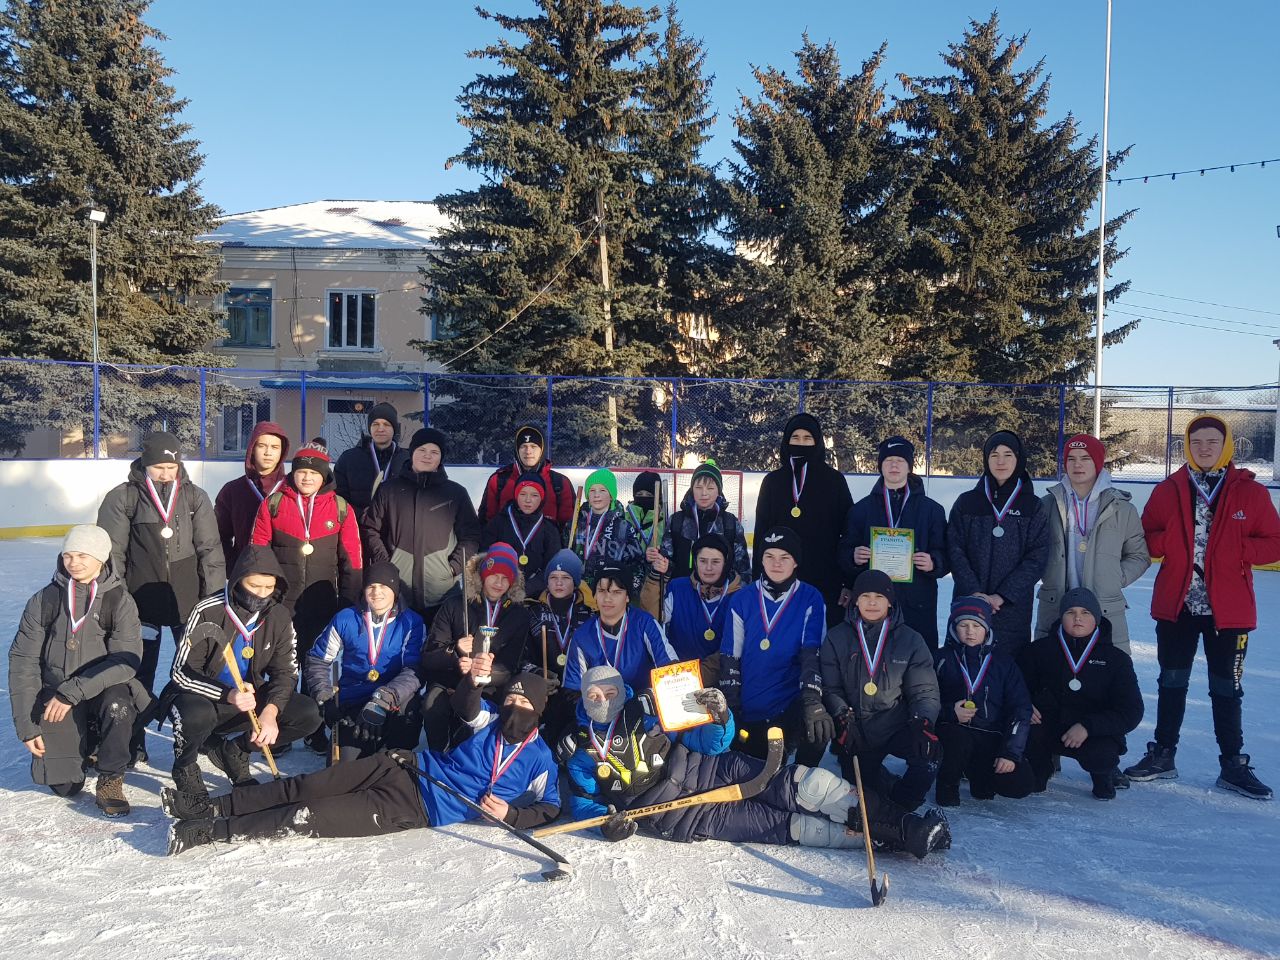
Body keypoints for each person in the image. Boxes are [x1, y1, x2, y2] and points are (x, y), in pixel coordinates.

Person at [561, 666, 948, 858]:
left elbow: (712, 745)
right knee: (792, 827)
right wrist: (606, 825)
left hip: (716, 769)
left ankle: (907, 825)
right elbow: (583, 804)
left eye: (609, 691)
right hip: (686, 814)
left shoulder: (649, 711)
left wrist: (720, 717)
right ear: (583, 695)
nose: (602, 699)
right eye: (593, 694)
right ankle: (883, 841)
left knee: (806, 786)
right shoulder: (580, 748)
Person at [163, 671, 559, 854]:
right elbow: (466, 705)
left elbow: (552, 808)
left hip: (415, 808)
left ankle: (210, 832)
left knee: (307, 813)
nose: (514, 709)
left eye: (524, 704)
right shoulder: (487, 719)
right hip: (403, 767)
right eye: (511, 700)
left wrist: (512, 814)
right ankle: (208, 806)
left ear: (537, 712)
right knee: (306, 785)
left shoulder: (540, 759)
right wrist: (473, 679)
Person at [1125, 415, 1280, 799]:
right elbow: (1147, 537)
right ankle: (1163, 754)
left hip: (1228, 611)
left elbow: (1274, 542)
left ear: (1226, 445)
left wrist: (1239, 550)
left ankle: (1232, 764)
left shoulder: (1250, 493)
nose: (1205, 448)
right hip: (1177, 606)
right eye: (1197, 443)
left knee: (1226, 687)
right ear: (1187, 447)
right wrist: (1173, 544)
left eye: (1212, 442)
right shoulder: (1170, 488)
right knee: (1171, 683)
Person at [97, 430, 225, 765]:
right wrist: (118, 600)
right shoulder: (123, 497)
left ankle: (198, 734)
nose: (166, 473)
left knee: (195, 669)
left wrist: (211, 600)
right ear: (145, 463)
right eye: (158, 467)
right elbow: (113, 556)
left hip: (187, 601)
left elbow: (210, 551)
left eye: (171, 466)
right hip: (140, 600)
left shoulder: (195, 497)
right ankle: (133, 737)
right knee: (138, 672)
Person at [8, 526, 148, 816]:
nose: (74, 562)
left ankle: (110, 777)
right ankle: (85, 748)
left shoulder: (119, 600)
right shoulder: (44, 600)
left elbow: (127, 660)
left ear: (101, 558)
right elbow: (23, 662)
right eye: (68, 555)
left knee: (119, 705)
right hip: (55, 691)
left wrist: (72, 692)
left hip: (101, 689)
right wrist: (28, 726)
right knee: (64, 787)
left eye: (83, 555)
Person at [163, 546, 322, 796]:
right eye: (254, 586)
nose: (261, 594)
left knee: (308, 714)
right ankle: (185, 766)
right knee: (196, 716)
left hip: (249, 700)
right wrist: (228, 694)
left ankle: (236, 750)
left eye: (269, 588)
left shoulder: (279, 615)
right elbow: (180, 672)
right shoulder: (207, 610)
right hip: (204, 698)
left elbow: (286, 672)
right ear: (238, 580)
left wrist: (270, 711)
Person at [821, 570, 941, 811]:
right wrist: (842, 718)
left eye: (879, 596)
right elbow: (830, 687)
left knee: (929, 754)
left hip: (896, 724)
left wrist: (922, 722)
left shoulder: (911, 640)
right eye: (865, 596)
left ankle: (902, 800)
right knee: (863, 797)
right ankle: (880, 780)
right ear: (855, 600)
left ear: (890, 601)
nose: (872, 602)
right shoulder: (836, 637)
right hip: (857, 729)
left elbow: (924, 690)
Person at [1021, 589, 1143, 801]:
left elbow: (1131, 711)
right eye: (1070, 612)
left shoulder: (1116, 659)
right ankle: (1041, 768)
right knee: (1028, 735)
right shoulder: (1038, 651)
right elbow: (1016, 686)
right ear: (1061, 616)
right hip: (1048, 725)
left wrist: (1089, 726)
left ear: (1096, 617)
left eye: (1086, 612)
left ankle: (1102, 776)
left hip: (1093, 733)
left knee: (1101, 755)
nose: (1078, 618)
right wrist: (1024, 704)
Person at [721, 526, 829, 766]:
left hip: (788, 704)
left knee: (818, 727)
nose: (776, 564)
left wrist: (812, 701)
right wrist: (733, 709)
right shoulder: (741, 599)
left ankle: (803, 776)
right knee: (757, 776)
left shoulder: (811, 598)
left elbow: (811, 655)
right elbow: (730, 657)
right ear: (760, 559)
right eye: (769, 556)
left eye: (784, 558)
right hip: (751, 706)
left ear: (796, 562)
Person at [251, 442, 363, 672]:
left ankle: (313, 707)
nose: (307, 478)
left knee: (316, 665)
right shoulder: (273, 504)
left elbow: (352, 561)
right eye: (302, 471)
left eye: (314, 473)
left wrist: (347, 603)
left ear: (324, 476)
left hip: (323, 603)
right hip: (280, 603)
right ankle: (279, 706)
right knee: (281, 666)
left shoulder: (341, 508)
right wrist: (262, 598)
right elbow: (257, 555)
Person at [1034, 433, 1150, 655]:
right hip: (1055, 605)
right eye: (1071, 458)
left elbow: (1139, 556)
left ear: (1097, 462)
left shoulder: (1123, 509)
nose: (1078, 464)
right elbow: (1032, 551)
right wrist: (1047, 574)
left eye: (1085, 458)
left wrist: (1115, 578)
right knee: (1050, 677)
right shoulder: (1046, 505)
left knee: (1108, 679)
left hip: (1105, 606)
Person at [305, 562, 426, 763]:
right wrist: (324, 696)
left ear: (395, 590)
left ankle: (391, 755)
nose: (376, 592)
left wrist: (383, 699)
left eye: (384, 587)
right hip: (354, 701)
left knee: (408, 715)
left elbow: (414, 670)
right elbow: (317, 659)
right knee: (342, 769)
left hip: (393, 699)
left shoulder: (412, 622)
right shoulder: (345, 618)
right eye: (371, 586)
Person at [947, 429, 1049, 659]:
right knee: (963, 666)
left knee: (1007, 674)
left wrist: (1001, 596)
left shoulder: (1033, 506)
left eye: (1007, 455)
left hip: (1011, 608)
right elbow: (955, 549)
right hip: (969, 603)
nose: (1000, 461)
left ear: (1019, 459)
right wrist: (975, 593)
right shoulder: (966, 502)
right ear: (986, 459)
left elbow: (1037, 557)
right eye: (994, 455)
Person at [838, 436, 949, 647]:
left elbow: (945, 553)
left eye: (900, 460)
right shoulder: (860, 510)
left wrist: (934, 562)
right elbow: (843, 551)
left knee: (917, 664)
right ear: (880, 466)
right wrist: (853, 557)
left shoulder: (932, 510)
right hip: (872, 603)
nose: (894, 465)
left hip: (917, 602)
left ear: (909, 466)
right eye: (888, 460)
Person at [419, 544, 532, 750]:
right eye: (494, 575)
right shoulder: (455, 605)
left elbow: (509, 667)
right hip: (450, 680)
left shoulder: (519, 615)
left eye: (506, 577)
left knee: (480, 719)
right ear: (482, 575)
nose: (499, 583)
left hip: (488, 685)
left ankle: (475, 761)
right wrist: (454, 653)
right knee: (432, 706)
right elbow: (428, 656)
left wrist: (482, 673)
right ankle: (438, 756)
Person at [364, 427, 481, 623]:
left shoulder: (455, 493)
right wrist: (387, 563)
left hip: (441, 591)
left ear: (441, 457)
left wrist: (453, 568)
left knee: (439, 648)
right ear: (412, 452)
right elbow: (371, 529)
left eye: (434, 452)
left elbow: (471, 536)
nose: (427, 456)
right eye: (422, 450)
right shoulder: (389, 490)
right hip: (398, 589)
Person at [752, 414, 852, 627]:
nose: (801, 443)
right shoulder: (773, 481)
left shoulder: (834, 481)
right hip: (780, 579)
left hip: (827, 580)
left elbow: (849, 534)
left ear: (818, 442)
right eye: (795, 438)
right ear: (786, 441)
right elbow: (761, 534)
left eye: (808, 438)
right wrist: (757, 581)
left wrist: (849, 582)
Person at [932, 596, 1034, 806]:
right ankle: (947, 783)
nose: (970, 631)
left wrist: (1010, 752)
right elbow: (923, 699)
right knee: (957, 740)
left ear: (987, 629)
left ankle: (979, 774)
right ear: (953, 628)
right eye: (964, 625)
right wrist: (949, 711)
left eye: (977, 625)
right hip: (952, 731)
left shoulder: (1004, 663)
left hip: (989, 734)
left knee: (1019, 783)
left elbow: (1020, 708)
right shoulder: (940, 658)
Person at [563, 564, 677, 693]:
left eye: (616, 592)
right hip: (600, 707)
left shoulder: (644, 623)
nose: (607, 598)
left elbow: (671, 670)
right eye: (601, 591)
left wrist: (646, 699)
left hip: (642, 705)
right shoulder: (582, 636)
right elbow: (573, 691)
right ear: (594, 595)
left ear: (627, 597)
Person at [524, 549, 595, 737]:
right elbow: (520, 657)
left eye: (566, 577)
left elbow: (599, 656)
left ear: (576, 582)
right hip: (542, 690)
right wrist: (537, 675)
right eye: (553, 577)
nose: (559, 583)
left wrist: (584, 685)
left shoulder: (590, 614)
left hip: (578, 693)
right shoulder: (532, 612)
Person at [646, 533, 744, 663]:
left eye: (715, 561)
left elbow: (735, 647)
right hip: (678, 674)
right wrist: (655, 578)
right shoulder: (678, 588)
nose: (708, 568)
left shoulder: (739, 597)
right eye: (703, 561)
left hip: (719, 677)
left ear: (726, 563)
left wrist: (700, 674)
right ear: (696, 562)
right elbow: (652, 620)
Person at [654, 459, 751, 583]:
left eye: (710, 488)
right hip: (684, 594)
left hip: (721, 596)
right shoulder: (677, 521)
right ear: (692, 489)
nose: (704, 493)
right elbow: (667, 563)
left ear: (718, 491)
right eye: (698, 487)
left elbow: (743, 570)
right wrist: (662, 565)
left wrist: (737, 597)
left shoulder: (730, 523)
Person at [213, 421, 289, 570]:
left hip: (285, 574)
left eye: (275, 447)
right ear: (252, 449)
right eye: (262, 446)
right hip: (246, 573)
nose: (268, 452)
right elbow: (219, 535)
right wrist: (232, 565)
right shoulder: (232, 490)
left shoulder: (291, 489)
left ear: (282, 451)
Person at [477, 424, 576, 528]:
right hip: (506, 543)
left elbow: (568, 527)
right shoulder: (498, 480)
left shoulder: (560, 483)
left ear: (542, 449)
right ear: (517, 450)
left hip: (548, 543)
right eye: (523, 446)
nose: (528, 451)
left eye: (533, 446)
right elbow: (486, 523)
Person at [482, 472, 562, 598]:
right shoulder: (498, 523)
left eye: (534, 495)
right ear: (515, 495)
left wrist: (528, 589)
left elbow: (552, 566)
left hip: (536, 596)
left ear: (542, 498)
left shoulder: (550, 529)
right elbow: (485, 557)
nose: (528, 500)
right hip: (501, 592)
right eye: (523, 494)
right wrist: (503, 585)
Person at [570, 468, 643, 593]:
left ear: (611, 495)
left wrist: (628, 589)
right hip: (578, 590)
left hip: (609, 592)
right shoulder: (575, 524)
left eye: (602, 490)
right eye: (592, 490)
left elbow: (637, 562)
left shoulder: (623, 527)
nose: (596, 495)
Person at [334, 402, 410, 517]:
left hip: (396, 528)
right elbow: (339, 497)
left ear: (394, 428)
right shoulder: (349, 459)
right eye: (375, 424)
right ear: (370, 427)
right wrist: (363, 515)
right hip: (360, 527)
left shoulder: (407, 459)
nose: (380, 429)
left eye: (386, 424)